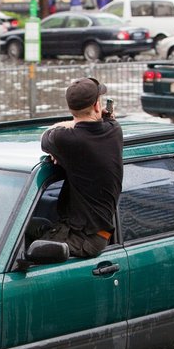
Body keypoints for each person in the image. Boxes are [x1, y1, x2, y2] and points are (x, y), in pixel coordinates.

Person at [39, 77, 123, 258]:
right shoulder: (114, 130)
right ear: (96, 106)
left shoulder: (68, 140)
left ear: (70, 109)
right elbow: (94, 124)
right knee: (34, 226)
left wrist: (66, 131)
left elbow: (46, 136)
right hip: (81, 231)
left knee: (25, 253)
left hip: (86, 239)